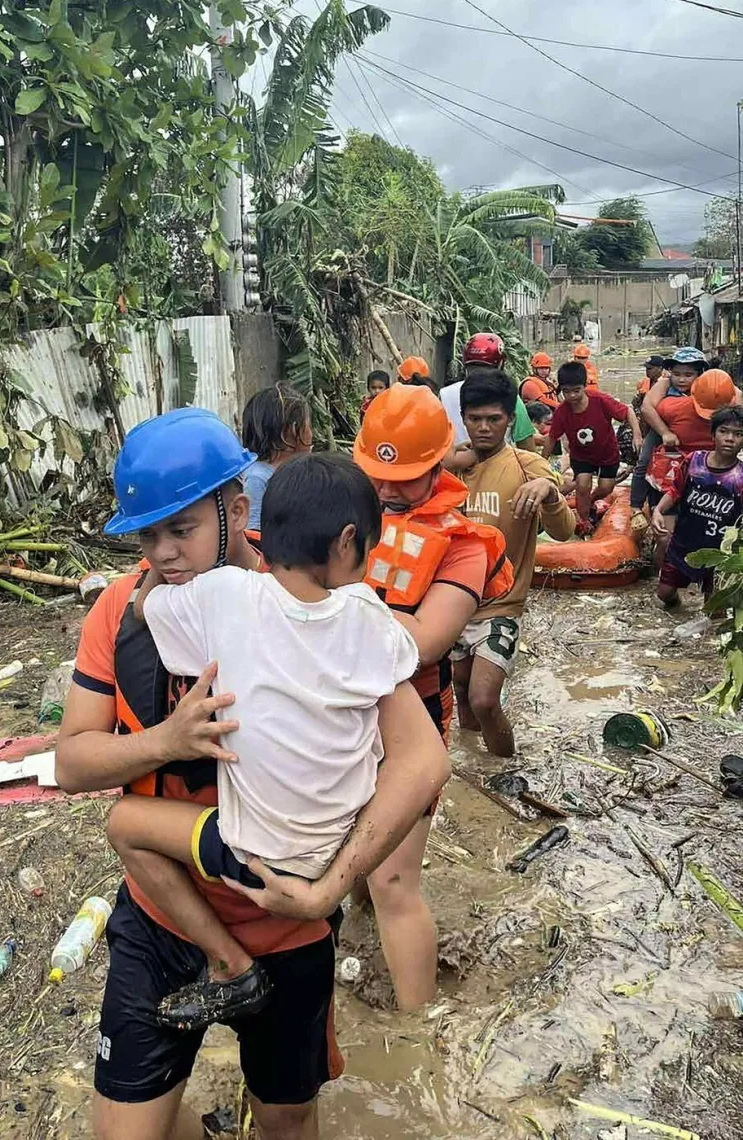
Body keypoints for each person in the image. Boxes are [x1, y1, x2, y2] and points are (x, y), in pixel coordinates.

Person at [56, 408, 451, 1140]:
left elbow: (422, 758)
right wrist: (166, 741)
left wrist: (331, 888)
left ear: (236, 511)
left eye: (182, 529)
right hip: (162, 917)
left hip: (287, 922)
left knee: (286, 1119)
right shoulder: (121, 611)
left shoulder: (318, 604)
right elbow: (72, 762)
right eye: (148, 535)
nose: (164, 554)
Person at [107, 452, 430, 1032]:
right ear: (347, 541)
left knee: (124, 825)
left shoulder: (225, 596)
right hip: (334, 855)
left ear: (253, 519)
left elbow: (141, 605)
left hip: (253, 858)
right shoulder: (369, 615)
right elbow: (411, 667)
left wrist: (162, 560)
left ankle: (230, 968)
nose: (166, 548)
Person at [353, 384, 513, 1009]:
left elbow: (423, 643)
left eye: (409, 480)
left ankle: (417, 1036)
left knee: (393, 878)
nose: (390, 493)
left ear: (441, 462)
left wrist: (327, 607)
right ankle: (358, 939)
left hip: (411, 717)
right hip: (341, 714)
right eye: (379, 478)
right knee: (352, 858)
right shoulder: (347, 512)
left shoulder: (465, 544)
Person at [454, 370, 575, 759]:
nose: (484, 428)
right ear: (463, 417)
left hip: (501, 605)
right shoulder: (454, 463)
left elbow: (565, 532)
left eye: (494, 419)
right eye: (475, 419)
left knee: (485, 698)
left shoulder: (528, 466)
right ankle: (477, 770)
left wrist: (551, 492)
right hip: (452, 603)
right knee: (460, 689)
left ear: (510, 419)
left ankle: (507, 769)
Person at [653, 406, 743, 607]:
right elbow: (675, 490)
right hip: (684, 542)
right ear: (713, 434)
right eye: (723, 431)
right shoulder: (694, 461)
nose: (730, 438)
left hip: (720, 553)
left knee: (714, 609)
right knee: (664, 594)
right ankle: (677, 606)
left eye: (738, 434)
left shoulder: (740, 478)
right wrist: (658, 510)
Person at [647, 370, 737, 564]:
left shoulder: (737, 417)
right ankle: (658, 575)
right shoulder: (672, 408)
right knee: (666, 539)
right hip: (679, 474)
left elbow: (648, 407)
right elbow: (647, 410)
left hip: (713, 482)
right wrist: (663, 431)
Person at [543, 362, 642, 532]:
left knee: (606, 487)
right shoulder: (562, 412)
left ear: (584, 386)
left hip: (607, 453)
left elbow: (628, 412)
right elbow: (552, 438)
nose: (572, 396)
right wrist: (542, 461)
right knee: (582, 483)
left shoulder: (601, 400)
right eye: (566, 392)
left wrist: (637, 435)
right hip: (581, 456)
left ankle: (591, 500)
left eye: (576, 391)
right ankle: (584, 520)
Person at [631, 348, 707, 514]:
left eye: (688, 375)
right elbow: (647, 408)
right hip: (662, 428)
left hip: (696, 435)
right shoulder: (664, 384)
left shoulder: (708, 385)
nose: (681, 379)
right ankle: (635, 507)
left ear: (699, 374)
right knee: (644, 462)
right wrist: (665, 432)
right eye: (677, 374)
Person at [440, 333, 536, 452]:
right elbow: (527, 447)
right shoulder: (509, 397)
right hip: (500, 467)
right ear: (501, 364)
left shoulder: (444, 395)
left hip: (453, 468)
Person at [241, 383, 312, 529]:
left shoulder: (295, 472)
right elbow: (254, 535)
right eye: (309, 425)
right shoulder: (258, 479)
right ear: (292, 430)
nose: (312, 433)